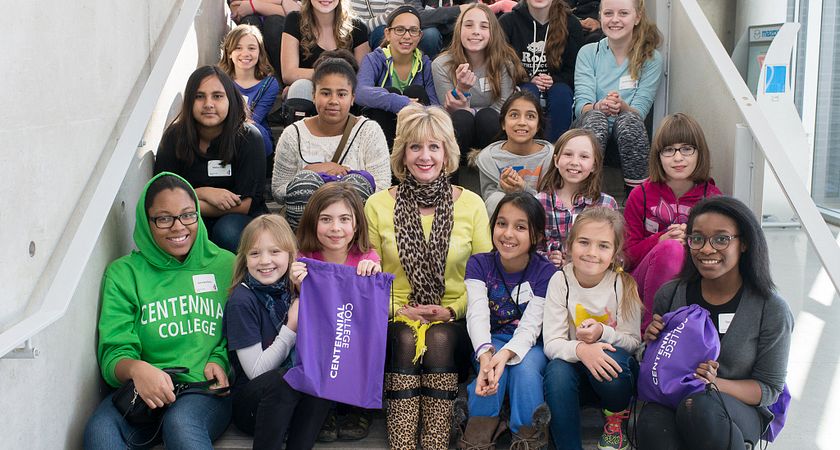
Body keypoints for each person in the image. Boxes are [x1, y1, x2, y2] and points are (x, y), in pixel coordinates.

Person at [364, 104, 492, 449]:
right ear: (403, 154)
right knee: (406, 337)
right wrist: (398, 310)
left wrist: (453, 311)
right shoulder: (376, 205)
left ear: (447, 153)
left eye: (434, 147)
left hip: (456, 315)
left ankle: (435, 440)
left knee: (438, 338)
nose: (425, 156)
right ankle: (403, 442)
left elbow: (484, 279)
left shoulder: (472, 205)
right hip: (395, 313)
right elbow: (369, 277)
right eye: (416, 147)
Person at [83, 173, 233, 449]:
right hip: (142, 391)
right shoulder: (124, 273)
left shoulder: (226, 265)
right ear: (146, 221)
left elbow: (239, 330)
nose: (179, 227)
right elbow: (113, 354)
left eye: (188, 215)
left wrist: (220, 360)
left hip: (202, 391)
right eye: (164, 218)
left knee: (181, 424)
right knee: (100, 432)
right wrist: (138, 370)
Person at [636, 196, 794, 450]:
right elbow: (653, 367)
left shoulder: (771, 308)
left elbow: (768, 389)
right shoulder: (671, 294)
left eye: (721, 239)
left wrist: (713, 383)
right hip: (674, 395)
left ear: (743, 244)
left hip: (736, 407)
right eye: (697, 238)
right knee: (651, 422)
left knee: (699, 407)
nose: (706, 249)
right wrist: (651, 343)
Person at [225, 214, 333, 450]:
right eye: (255, 253)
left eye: (275, 252)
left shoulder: (294, 288)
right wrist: (291, 327)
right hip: (254, 406)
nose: (265, 261)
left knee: (319, 373)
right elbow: (257, 372)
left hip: (295, 407)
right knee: (284, 380)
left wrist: (309, 295)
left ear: (290, 254)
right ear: (244, 259)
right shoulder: (242, 301)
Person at [461, 192, 557, 448]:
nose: (508, 234)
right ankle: (477, 436)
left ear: (536, 235)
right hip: (489, 340)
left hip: (532, 343)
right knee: (490, 370)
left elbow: (531, 326)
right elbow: (477, 314)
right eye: (501, 223)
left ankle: (528, 438)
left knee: (525, 371)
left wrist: (505, 355)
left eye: (520, 227)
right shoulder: (479, 264)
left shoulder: (546, 272)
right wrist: (485, 354)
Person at [542, 207, 643, 450]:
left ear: (615, 252)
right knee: (556, 371)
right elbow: (552, 343)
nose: (591, 253)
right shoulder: (560, 280)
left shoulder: (623, 284)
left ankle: (615, 419)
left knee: (613, 363)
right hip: (574, 371)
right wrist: (582, 350)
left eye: (603, 246)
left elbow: (632, 342)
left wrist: (602, 333)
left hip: (612, 379)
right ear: (569, 245)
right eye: (584, 242)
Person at [289, 183, 382, 442]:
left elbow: (370, 311)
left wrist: (371, 274)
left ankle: (358, 408)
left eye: (344, 219)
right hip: (321, 335)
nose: (336, 228)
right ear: (312, 223)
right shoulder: (305, 257)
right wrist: (297, 283)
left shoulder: (367, 257)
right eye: (326, 219)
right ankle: (324, 408)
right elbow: (304, 308)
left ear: (356, 225)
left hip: (354, 335)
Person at [623, 112, 722, 331]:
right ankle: (649, 334)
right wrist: (661, 239)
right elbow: (627, 256)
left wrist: (694, 240)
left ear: (699, 153)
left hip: (694, 283)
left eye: (686, 149)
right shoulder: (641, 195)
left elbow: (722, 254)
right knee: (669, 249)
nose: (678, 158)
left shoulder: (713, 199)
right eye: (669, 150)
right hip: (643, 286)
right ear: (658, 156)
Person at [154, 65, 268, 253]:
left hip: (239, 220)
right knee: (184, 227)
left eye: (217, 96)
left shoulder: (249, 138)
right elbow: (163, 194)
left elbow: (245, 205)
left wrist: (187, 205)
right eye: (199, 96)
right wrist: (203, 192)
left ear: (230, 99)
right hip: (186, 218)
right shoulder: (174, 137)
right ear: (190, 101)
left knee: (227, 230)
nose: (208, 104)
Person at [271, 55, 390, 229]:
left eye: (341, 94)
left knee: (358, 184)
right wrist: (310, 173)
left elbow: (381, 188)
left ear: (352, 97)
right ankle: (308, 253)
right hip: (306, 229)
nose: (333, 101)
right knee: (306, 182)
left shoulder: (369, 131)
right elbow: (279, 192)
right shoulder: (293, 134)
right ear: (313, 95)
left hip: (353, 230)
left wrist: (343, 179)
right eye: (325, 93)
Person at [573, 0, 663, 195]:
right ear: (600, 16)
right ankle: (584, 193)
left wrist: (623, 106)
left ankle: (637, 197)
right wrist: (599, 106)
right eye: (608, 14)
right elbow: (581, 107)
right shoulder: (588, 53)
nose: (615, 20)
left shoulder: (651, 59)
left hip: (626, 139)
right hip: (588, 134)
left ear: (637, 17)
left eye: (623, 13)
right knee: (596, 118)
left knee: (629, 120)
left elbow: (639, 112)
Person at [432, 3, 527, 163]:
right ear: (459, 30)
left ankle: (496, 173)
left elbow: (501, 108)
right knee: (461, 117)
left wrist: (471, 110)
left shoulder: (505, 63)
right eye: (468, 25)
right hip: (459, 132)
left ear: (493, 33)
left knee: (487, 116)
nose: (475, 31)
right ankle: (450, 180)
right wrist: (461, 88)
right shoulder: (441, 64)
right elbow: (447, 111)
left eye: (484, 26)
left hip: (491, 128)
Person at [356, 6, 440, 148]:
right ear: (388, 34)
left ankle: (416, 154)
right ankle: (385, 159)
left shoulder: (425, 64)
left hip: (415, 133)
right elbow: (359, 93)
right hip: (381, 130)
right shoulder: (374, 59)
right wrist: (402, 102)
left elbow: (435, 106)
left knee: (416, 92)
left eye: (413, 30)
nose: (407, 36)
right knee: (391, 91)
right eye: (400, 29)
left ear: (419, 36)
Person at [500, 0, 584, 142]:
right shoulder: (508, 22)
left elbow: (574, 70)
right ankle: (525, 148)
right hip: (522, 81)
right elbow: (503, 65)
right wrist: (526, 78)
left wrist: (554, 80)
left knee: (561, 94)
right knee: (526, 93)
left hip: (559, 83)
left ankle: (555, 150)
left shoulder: (571, 23)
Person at [536, 128, 617, 268]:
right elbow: (530, 249)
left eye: (584, 157)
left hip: (591, 278)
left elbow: (613, 250)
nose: (574, 162)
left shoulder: (606, 204)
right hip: (550, 279)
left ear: (595, 165)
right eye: (568, 154)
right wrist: (547, 258)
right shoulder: (540, 202)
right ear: (556, 161)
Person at [473, 91, 554, 216]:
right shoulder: (488, 158)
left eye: (530, 116)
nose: (522, 122)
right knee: (496, 198)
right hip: (503, 222)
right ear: (503, 123)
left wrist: (523, 190)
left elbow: (552, 204)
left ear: (538, 126)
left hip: (538, 220)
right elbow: (489, 200)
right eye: (514, 115)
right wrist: (504, 187)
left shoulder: (550, 157)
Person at [281, 0, 370, 109]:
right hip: (310, 94)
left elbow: (361, 78)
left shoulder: (358, 27)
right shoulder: (294, 20)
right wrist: (339, 72)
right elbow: (289, 74)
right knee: (301, 87)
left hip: (344, 96)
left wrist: (323, 77)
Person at [219, 24, 282, 157]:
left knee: (252, 130)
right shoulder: (219, 81)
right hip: (224, 134)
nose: (245, 53)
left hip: (255, 138)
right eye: (238, 48)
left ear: (260, 52)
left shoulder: (270, 84)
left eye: (252, 48)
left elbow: (254, 119)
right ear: (229, 53)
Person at [228, 0, 301, 79]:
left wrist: (253, 5)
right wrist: (280, 3)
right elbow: (237, 8)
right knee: (250, 22)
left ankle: (282, 83)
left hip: (280, 37)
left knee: (274, 23)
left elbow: (294, 12)